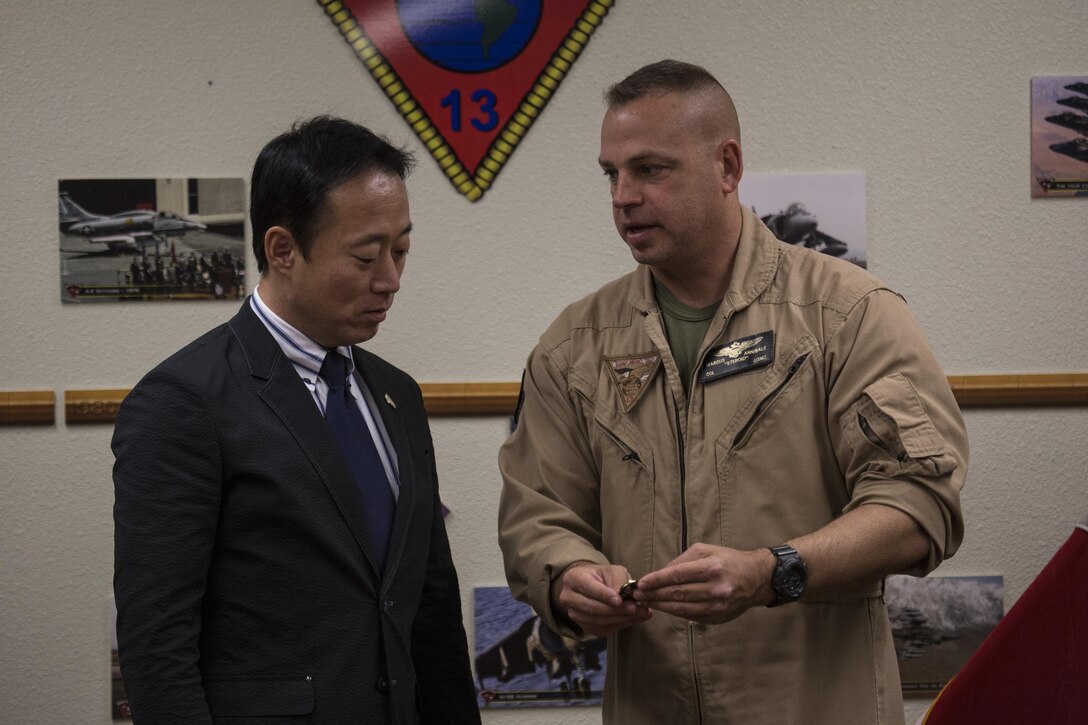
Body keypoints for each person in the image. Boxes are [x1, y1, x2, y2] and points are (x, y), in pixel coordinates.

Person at [497, 60, 968, 724]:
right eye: (612, 174)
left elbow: (919, 502)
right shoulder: (575, 345)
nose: (623, 196)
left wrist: (773, 570)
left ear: (727, 166)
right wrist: (570, 575)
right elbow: (537, 514)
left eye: (650, 170)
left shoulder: (848, 314)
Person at [114, 116, 481, 724]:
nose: (391, 280)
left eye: (402, 250)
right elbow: (158, 645)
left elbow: (431, 610)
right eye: (366, 256)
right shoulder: (184, 401)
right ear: (282, 250)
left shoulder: (397, 395)